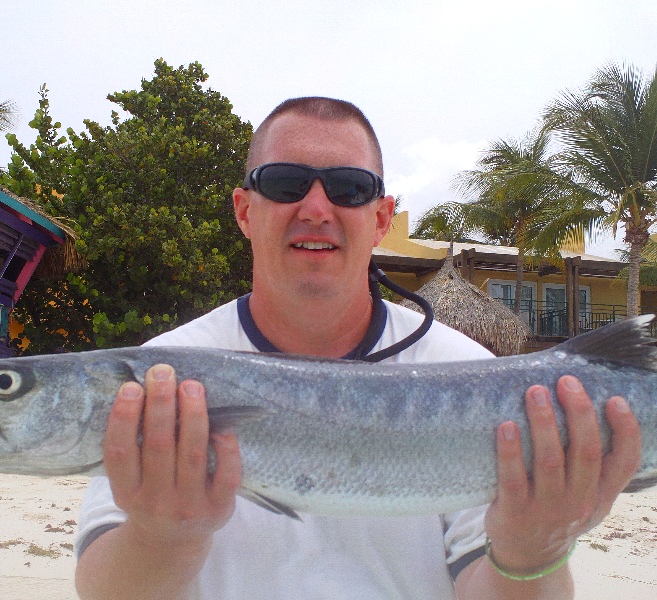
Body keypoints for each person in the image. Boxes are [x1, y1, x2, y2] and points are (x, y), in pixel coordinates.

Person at [74, 97, 642, 599]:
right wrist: (161, 536)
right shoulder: (161, 379)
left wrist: (531, 554)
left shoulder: (463, 369)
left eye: (348, 188)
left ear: (380, 218)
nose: (317, 208)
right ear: (245, 210)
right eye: (284, 182)